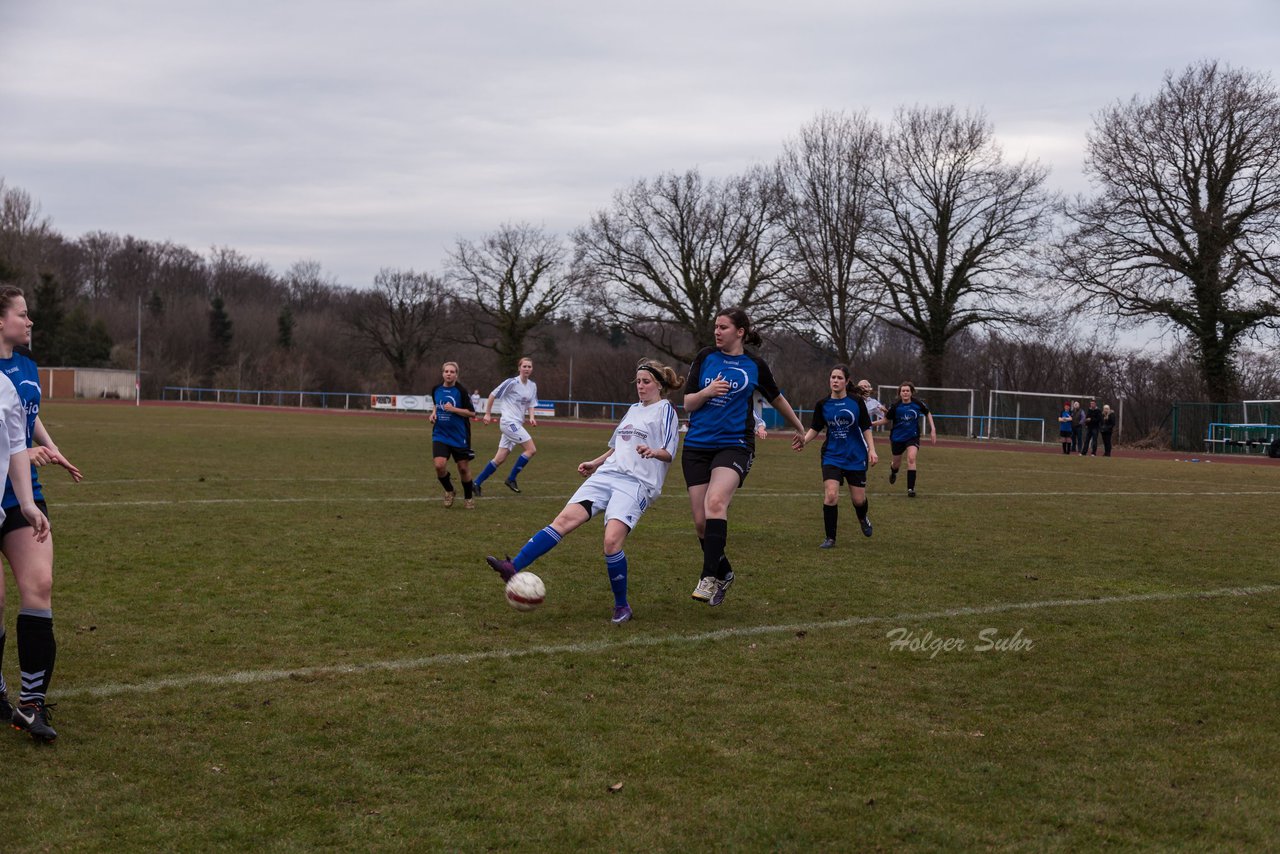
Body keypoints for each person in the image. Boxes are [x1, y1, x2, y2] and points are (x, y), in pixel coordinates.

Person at [485, 359, 683, 624]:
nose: (640, 386)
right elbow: (618, 447)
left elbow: (669, 452)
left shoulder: (666, 410)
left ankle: (622, 606)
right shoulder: (633, 410)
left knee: (611, 541)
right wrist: (595, 462)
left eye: (646, 381)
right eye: (637, 381)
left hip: (636, 483)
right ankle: (513, 567)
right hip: (607, 474)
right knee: (563, 521)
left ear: (659, 383)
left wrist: (652, 451)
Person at [683, 307, 806, 607]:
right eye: (715, 326)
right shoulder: (705, 357)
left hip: (735, 445)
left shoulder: (755, 365)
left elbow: (777, 399)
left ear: (740, 332)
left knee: (716, 503)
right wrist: (707, 392)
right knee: (701, 523)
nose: (717, 331)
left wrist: (801, 427)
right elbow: (687, 403)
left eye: (723, 327)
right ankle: (725, 572)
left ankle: (709, 577)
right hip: (697, 446)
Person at [0, 287, 61, 743]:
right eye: (23, 314)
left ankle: (31, 703)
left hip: (23, 493)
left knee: (39, 585)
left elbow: (20, 430)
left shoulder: (25, 368)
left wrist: (50, 447)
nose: (30, 320)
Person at [799, 365, 877, 548]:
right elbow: (815, 429)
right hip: (832, 456)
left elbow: (866, 427)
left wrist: (872, 450)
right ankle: (830, 538)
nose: (835, 380)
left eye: (839, 378)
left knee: (858, 499)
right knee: (831, 495)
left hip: (856, 456)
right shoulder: (822, 404)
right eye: (833, 377)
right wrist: (804, 440)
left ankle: (862, 517)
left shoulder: (856, 402)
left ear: (847, 381)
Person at [473, 357, 539, 495]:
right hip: (509, 422)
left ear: (532, 369)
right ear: (519, 368)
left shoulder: (532, 386)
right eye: (524, 366)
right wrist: (487, 414)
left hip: (516, 423)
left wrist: (531, 417)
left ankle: (476, 483)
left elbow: (531, 404)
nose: (527, 369)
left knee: (500, 458)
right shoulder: (512, 382)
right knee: (531, 449)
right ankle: (511, 478)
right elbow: (492, 395)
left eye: (529, 367)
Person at [429, 361, 477, 509]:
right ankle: (449, 490)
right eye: (446, 371)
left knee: (463, 468)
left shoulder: (461, 391)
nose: (449, 374)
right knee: (439, 465)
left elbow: (472, 413)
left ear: (456, 374)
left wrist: (454, 409)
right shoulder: (436, 389)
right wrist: (433, 414)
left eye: (452, 371)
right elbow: (437, 405)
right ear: (442, 373)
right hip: (440, 434)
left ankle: (468, 497)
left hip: (459, 435)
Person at [883, 381, 936, 498]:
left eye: (908, 391)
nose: (905, 392)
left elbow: (928, 413)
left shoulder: (917, 404)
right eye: (903, 391)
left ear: (911, 392)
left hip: (913, 437)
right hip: (897, 438)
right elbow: (886, 420)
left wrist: (933, 429)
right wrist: (870, 424)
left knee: (911, 458)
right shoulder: (895, 406)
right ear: (900, 393)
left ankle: (910, 489)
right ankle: (893, 471)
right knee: (896, 464)